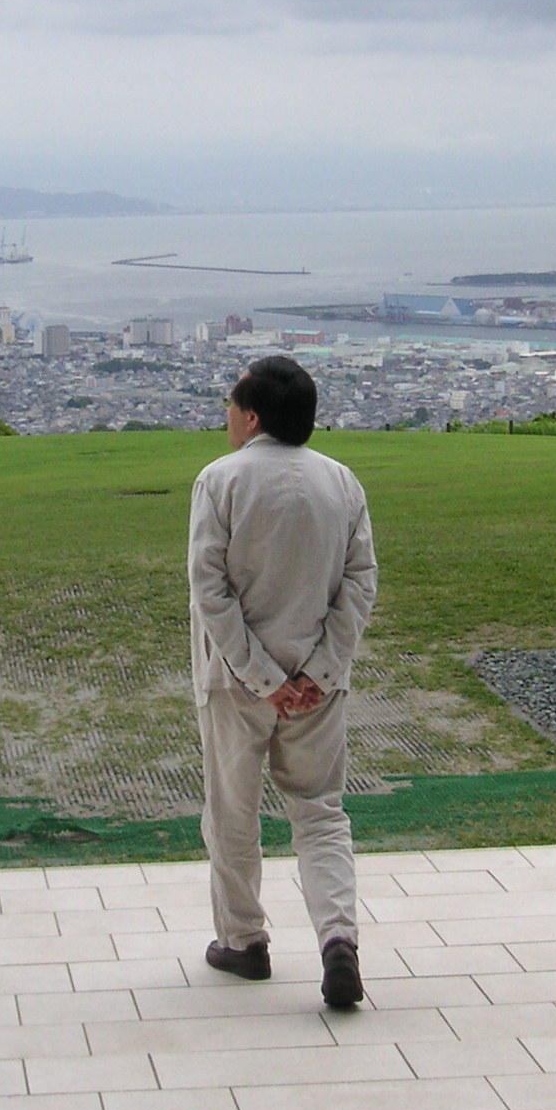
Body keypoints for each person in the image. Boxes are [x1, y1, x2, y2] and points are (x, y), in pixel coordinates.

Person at [188, 354, 378, 1008]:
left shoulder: (221, 480)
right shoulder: (342, 483)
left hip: (234, 679)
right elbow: (360, 583)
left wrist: (262, 676)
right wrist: (319, 670)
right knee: (321, 813)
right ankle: (338, 939)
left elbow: (210, 589)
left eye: (231, 407)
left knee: (234, 814)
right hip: (319, 686)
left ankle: (244, 941)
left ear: (252, 416)